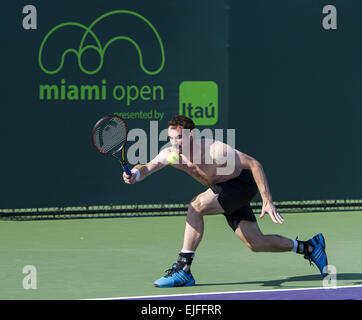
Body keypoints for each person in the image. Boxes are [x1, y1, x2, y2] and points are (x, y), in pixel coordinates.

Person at [123, 115, 328, 287]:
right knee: (255, 243)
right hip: (223, 191)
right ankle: (310, 248)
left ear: (191, 135)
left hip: (240, 185)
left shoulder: (215, 151)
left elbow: (254, 164)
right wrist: (135, 174)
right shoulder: (172, 155)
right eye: (170, 138)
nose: (174, 142)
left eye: (179, 138)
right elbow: (148, 167)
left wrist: (267, 200)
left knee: (196, 206)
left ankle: (184, 268)